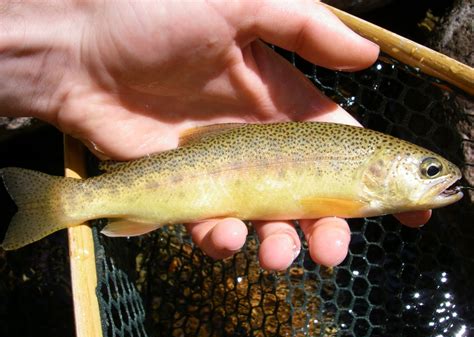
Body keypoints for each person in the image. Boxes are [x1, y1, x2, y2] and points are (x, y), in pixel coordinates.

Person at [0, 0, 430, 270]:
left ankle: (72, 202)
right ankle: (67, 202)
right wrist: (74, 43)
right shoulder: (359, 182)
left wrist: (69, 48)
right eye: (428, 170)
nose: (435, 178)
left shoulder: (361, 163)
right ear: (383, 166)